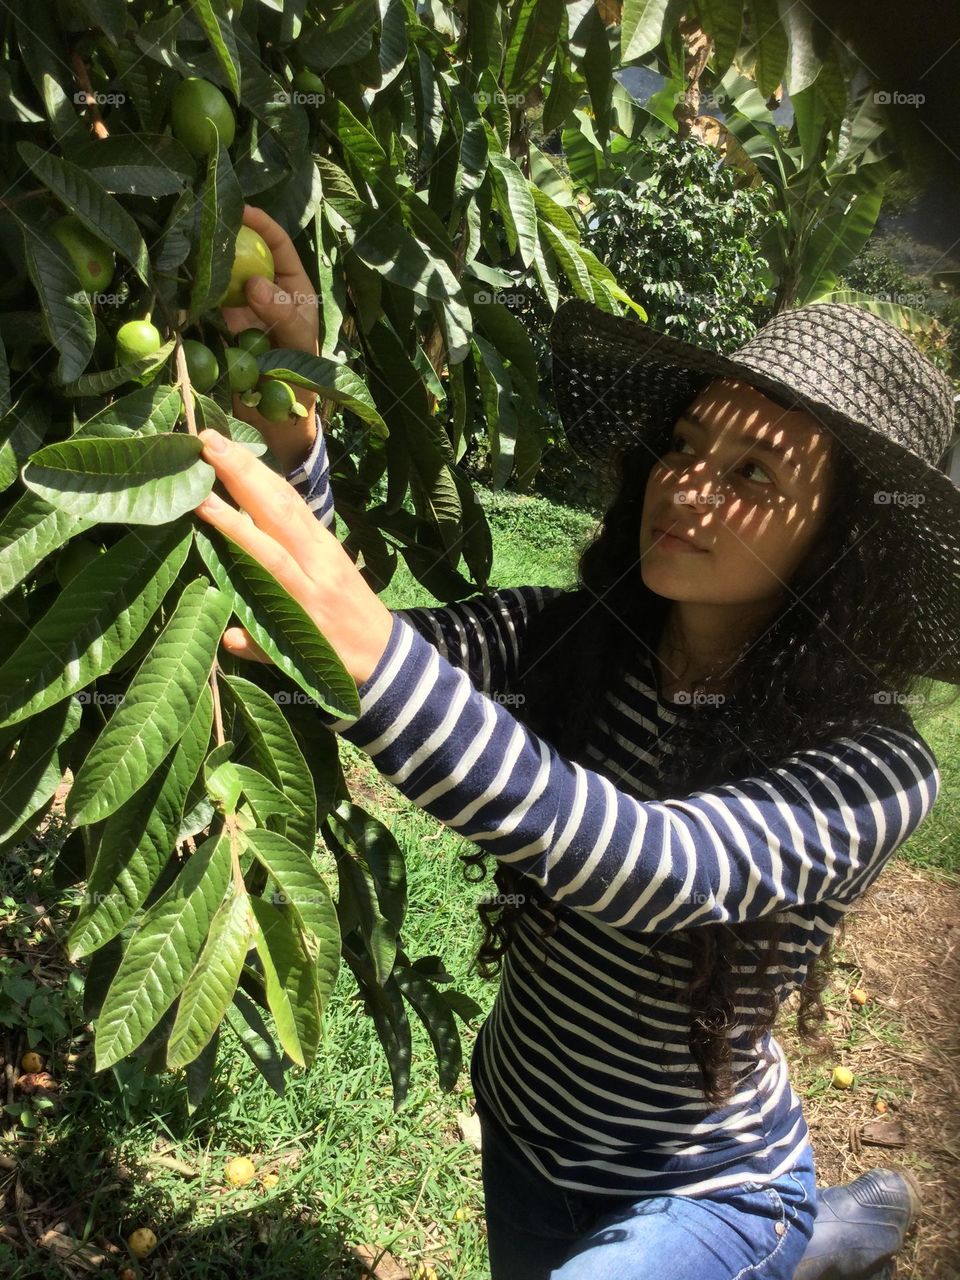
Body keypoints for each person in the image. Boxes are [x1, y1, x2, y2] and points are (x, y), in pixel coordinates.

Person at [194, 207, 959, 1280]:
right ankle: (845, 1230)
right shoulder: (567, 641)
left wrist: (372, 659)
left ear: (841, 546)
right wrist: (296, 444)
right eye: (686, 445)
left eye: (751, 475)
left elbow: (658, 866)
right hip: (523, 1124)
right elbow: (334, 658)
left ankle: (803, 1225)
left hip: (700, 1188)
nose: (685, 485)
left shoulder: (875, 769)